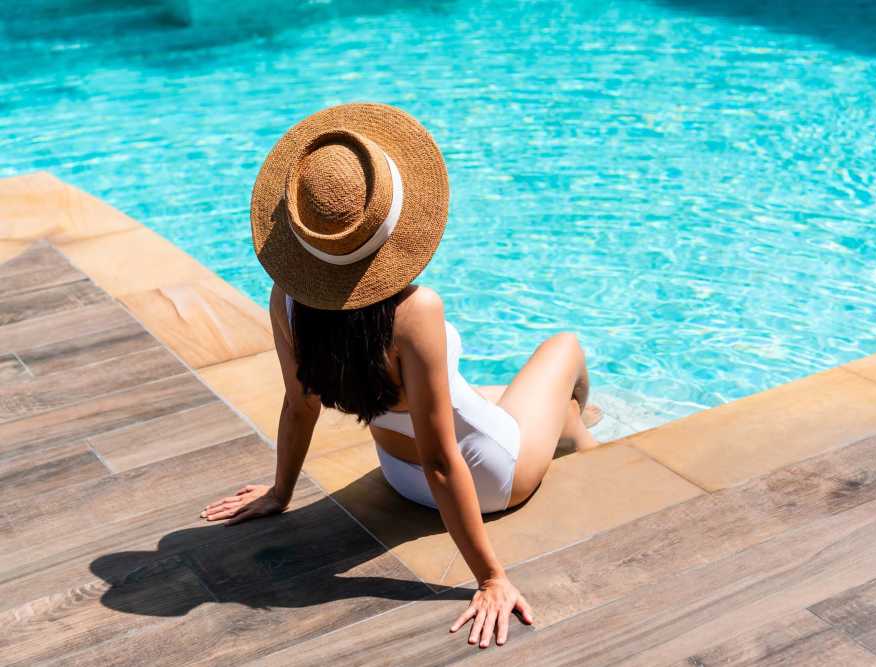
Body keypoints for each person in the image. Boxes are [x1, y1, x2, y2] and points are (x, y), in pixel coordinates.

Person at [200, 102, 601, 649]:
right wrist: (490, 578)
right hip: (487, 477)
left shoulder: (287, 300)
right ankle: (578, 436)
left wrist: (280, 491)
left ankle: (574, 431)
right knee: (564, 347)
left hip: (396, 474)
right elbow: (443, 460)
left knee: (541, 408)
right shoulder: (415, 312)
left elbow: (301, 405)